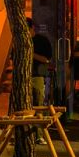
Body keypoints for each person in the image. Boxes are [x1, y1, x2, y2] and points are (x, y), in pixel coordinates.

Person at [28, 17, 52, 145]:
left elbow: (47, 59)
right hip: (24, 77)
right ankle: (22, 133)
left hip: (38, 76)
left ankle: (39, 135)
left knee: (38, 105)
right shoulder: (21, 41)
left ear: (32, 28)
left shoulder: (42, 41)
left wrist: (31, 53)